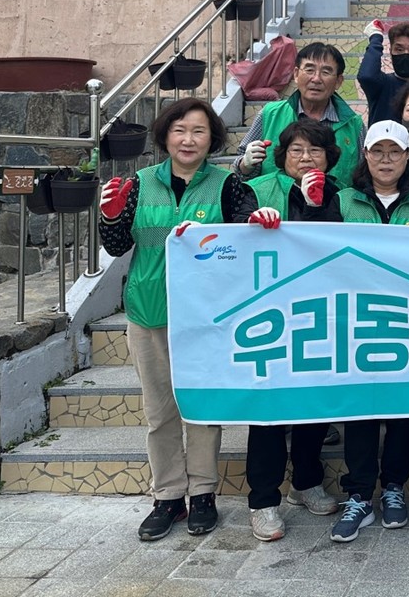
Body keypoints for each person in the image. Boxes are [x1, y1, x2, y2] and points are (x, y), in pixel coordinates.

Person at [98, 98, 267, 541]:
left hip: (207, 320)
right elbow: (117, 246)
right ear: (164, 136)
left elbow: (246, 241)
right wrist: (110, 216)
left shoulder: (229, 186)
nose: (188, 140)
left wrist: (251, 224)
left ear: (212, 139)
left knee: (201, 409)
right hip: (149, 312)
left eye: (198, 131)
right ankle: (168, 496)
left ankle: (204, 493)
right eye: (179, 130)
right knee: (160, 412)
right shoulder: (139, 184)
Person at [329, 120, 409, 544]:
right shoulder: (342, 201)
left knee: (401, 411)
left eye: (394, 152)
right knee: (360, 410)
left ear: (408, 157)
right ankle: (358, 494)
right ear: (365, 155)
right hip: (356, 323)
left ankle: (394, 487)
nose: (386, 160)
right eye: (378, 151)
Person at [243, 119, 344, 541]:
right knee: (268, 410)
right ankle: (263, 501)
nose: (305, 158)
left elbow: (337, 248)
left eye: (315, 150)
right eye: (296, 150)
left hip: (318, 313)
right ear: (282, 156)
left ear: (329, 158)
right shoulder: (256, 189)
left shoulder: (338, 193)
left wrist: (316, 205)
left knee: (313, 404)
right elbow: (233, 237)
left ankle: (306, 482)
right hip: (268, 315)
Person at [235, 42, 364, 186]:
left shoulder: (354, 125)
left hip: (335, 200)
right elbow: (241, 166)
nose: (316, 79)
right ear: (296, 74)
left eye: (326, 72)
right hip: (275, 199)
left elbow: (364, 174)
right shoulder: (270, 114)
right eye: (309, 70)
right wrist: (246, 165)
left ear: (338, 81)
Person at [356, 19, 409, 125]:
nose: (406, 54)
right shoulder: (382, 84)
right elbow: (367, 76)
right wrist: (376, 37)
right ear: (391, 52)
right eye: (399, 49)